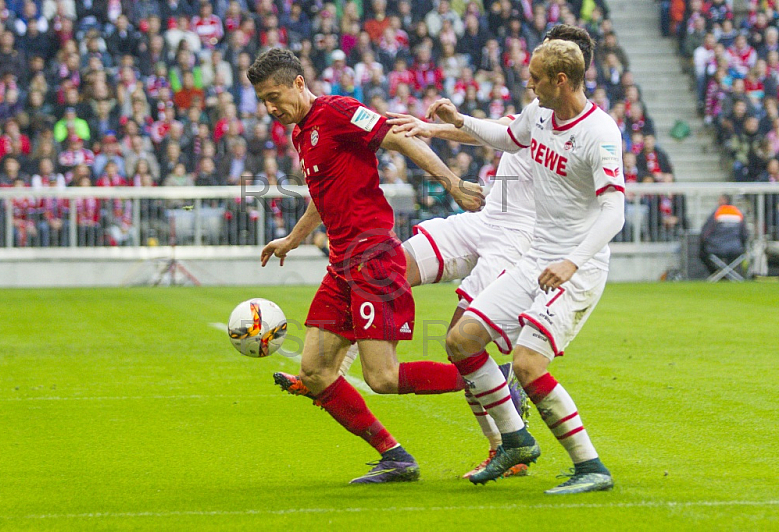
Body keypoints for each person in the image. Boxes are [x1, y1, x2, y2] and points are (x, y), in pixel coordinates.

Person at [274, 23, 596, 481]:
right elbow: (498, 132)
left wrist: (442, 142)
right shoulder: (536, 112)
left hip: (518, 240)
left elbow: (501, 137)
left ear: (564, 70)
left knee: (461, 342)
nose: (531, 71)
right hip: (482, 222)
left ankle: (505, 446)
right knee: (389, 270)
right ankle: (332, 364)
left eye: (541, 61)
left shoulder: (579, 126)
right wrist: (435, 126)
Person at [248, 48, 483, 484]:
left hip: (373, 258)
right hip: (342, 266)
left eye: (274, 96)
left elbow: (397, 137)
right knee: (315, 373)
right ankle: (395, 457)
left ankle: (496, 381)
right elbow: (324, 195)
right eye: (264, 100)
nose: (270, 108)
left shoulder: (338, 111)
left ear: (299, 83)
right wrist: (292, 239)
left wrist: (453, 184)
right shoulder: (302, 133)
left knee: (383, 377)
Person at [428, 38, 624, 494]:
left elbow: (614, 211)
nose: (527, 82)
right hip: (537, 256)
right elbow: (509, 138)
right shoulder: (539, 115)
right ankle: (515, 439)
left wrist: (573, 261)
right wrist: (461, 122)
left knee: (529, 365)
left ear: (560, 80)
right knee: (461, 340)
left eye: (535, 77)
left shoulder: (600, 133)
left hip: (578, 265)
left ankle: (591, 468)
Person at [699, 194, 749, 275]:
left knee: (702, 253)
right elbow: (745, 234)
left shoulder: (717, 212)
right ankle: (729, 274)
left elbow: (705, 232)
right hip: (736, 248)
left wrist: (704, 242)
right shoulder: (738, 213)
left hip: (716, 248)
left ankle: (718, 274)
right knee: (733, 259)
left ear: (724, 201)